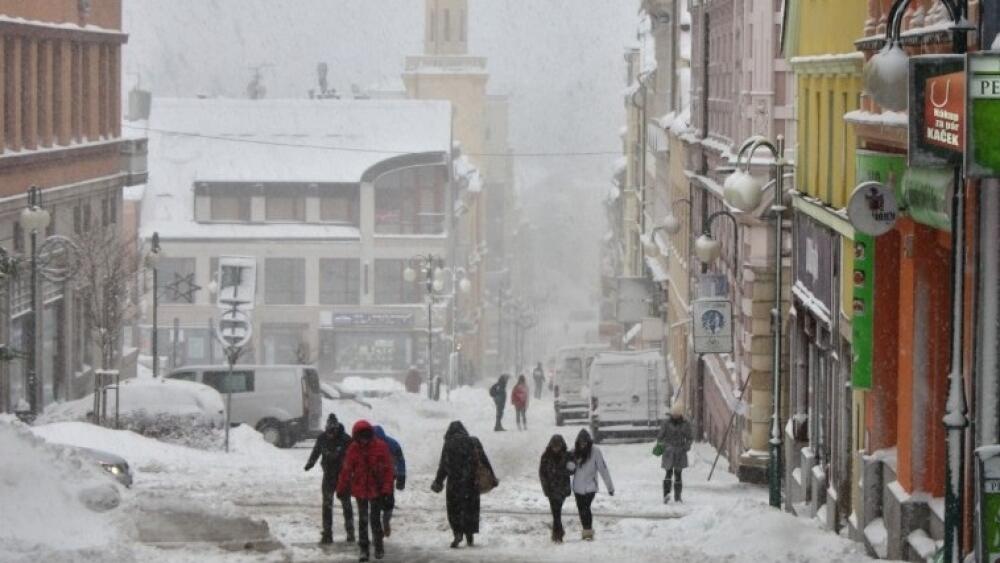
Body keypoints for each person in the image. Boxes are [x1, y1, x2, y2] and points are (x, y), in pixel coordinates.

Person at [431, 420, 498, 549]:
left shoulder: (449, 444)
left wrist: (438, 482)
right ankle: (469, 535)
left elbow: (443, 465)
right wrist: (492, 477)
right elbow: (484, 460)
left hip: (454, 483)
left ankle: (457, 533)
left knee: (454, 509)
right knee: (470, 509)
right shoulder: (474, 441)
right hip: (471, 482)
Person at [336, 420, 395, 562]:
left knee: (375, 519)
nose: (364, 441)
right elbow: (346, 470)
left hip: (376, 489)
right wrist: (341, 488)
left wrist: (387, 490)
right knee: (363, 521)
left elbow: (388, 470)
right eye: (361, 437)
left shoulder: (381, 447)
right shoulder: (353, 449)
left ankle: (378, 546)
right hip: (360, 489)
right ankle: (364, 549)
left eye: (366, 437)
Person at [304, 413, 355, 544]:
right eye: (328, 432)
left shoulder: (346, 439)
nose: (330, 435)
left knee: (346, 504)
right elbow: (316, 451)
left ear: (336, 430)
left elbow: (354, 456)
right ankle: (327, 533)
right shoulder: (322, 438)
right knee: (327, 505)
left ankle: (350, 532)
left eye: (332, 433)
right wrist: (310, 463)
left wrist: (353, 471)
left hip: (342, 476)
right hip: (328, 475)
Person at [570, 429, 614, 541]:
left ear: (588, 441)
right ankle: (586, 530)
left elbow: (603, 469)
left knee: (585, 508)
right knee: (581, 509)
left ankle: (588, 532)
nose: (583, 444)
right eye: (581, 442)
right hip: (577, 487)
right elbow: (569, 469)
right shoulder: (574, 452)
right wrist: (573, 463)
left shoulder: (595, 452)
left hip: (590, 487)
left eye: (585, 442)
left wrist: (610, 487)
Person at [655, 401, 693, 503]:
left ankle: (678, 496)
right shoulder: (666, 423)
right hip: (669, 452)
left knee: (678, 474)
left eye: (677, 413)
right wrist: (665, 446)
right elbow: (660, 437)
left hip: (680, 452)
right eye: (674, 413)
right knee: (668, 473)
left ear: (680, 414)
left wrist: (686, 447)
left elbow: (689, 438)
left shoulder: (685, 424)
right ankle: (666, 494)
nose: (675, 415)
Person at [539, 434, 574, 543]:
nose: (556, 449)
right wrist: (545, 487)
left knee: (556, 511)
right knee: (556, 512)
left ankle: (557, 533)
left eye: (558, 446)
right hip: (551, 488)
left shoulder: (567, 455)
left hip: (562, 488)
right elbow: (542, 473)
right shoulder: (546, 456)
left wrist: (564, 471)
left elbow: (573, 469)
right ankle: (558, 534)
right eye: (554, 446)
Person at [372, 425, 406, 537]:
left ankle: (385, 521)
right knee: (375, 505)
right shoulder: (368, 444)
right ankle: (377, 529)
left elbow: (400, 460)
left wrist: (401, 476)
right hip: (373, 478)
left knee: (388, 503)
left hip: (389, 477)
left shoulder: (393, 444)